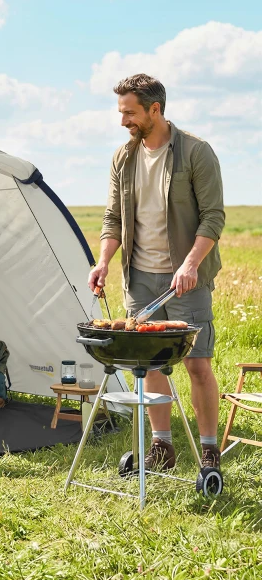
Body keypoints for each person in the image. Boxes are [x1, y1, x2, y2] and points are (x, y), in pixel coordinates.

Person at [88, 73, 225, 471]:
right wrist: (103, 261)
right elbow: (113, 218)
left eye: (130, 113)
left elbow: (213, 217)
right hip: (140, 277)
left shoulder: (196, 152)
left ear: (155, 109)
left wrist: (191, 264)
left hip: (187, 277)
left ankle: (210, 450)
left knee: (197, 363)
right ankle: (162, 447)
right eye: (121, 112)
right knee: (147, 364)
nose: (123, 121)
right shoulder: (123, 157)